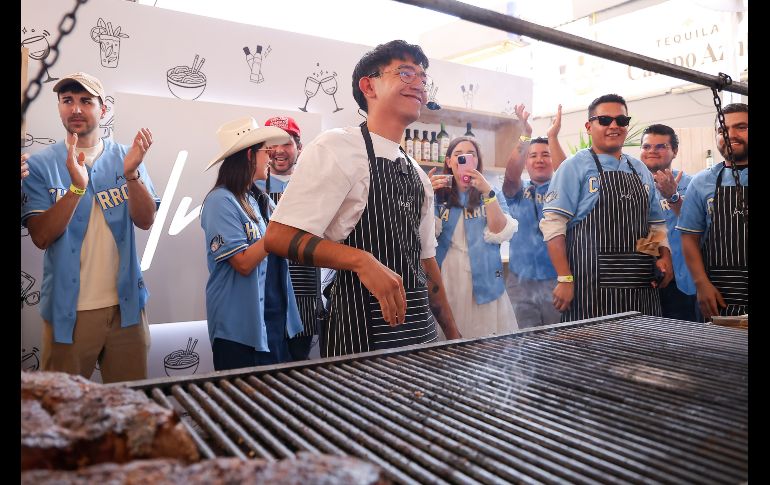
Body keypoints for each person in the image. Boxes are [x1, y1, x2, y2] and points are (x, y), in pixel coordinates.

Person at [264, 39, 461, 357]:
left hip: (420, 339)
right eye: (406, 73)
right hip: (359, 339)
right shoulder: (337, 148)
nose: (420, 86)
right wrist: (361, 260)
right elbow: (278, 236)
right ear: (369, 86)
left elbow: (426, 263)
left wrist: (452, 334)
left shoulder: (417, 174)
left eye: (423, 79)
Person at [21, 72, 160, 383]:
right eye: (67, 101)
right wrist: (77, 189)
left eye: (86, 101)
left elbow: (146, 220)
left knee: (131, 408)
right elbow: (41, 236)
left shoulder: (127, 156)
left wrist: (132, 174)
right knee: (62, 415)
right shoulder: (41, 165)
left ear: (103, 109)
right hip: (68, 314)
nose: (76, 109)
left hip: (127, 311)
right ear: (58, 107)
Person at [540, 93, 673, 321]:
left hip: (640, 289)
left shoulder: (639, 169)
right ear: (589, 126)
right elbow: (553, 226)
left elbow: (653, 224)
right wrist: (565, 278)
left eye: (621, 121)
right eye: (604, 120)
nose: (614, 126)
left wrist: (663, 257)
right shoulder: (574, 167)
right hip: (590, 291)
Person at [200, 116, 304, 370]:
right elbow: (243, 263)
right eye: (266, 151)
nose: (271, 157)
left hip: (275, 325)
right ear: (250, 155)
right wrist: (276, 236)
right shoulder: (220, 201)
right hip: (240, 332)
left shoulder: (260, 200)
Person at [429, 135, 518, 338]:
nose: (464, 159)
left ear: (477, 161)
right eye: (458, 155)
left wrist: (487, 193)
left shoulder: (491, 191)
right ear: (449, 161)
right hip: (447, 274)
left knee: (486, 344)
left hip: (485, 276)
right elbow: (424, 236)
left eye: (471, 155)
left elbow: (499, 231)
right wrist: (424, 195)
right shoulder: (437, 194)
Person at [255, 115, 322, 360]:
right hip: (265, 292)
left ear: (299, 148)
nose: (279, 151)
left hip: (303, 293)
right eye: (272, 144)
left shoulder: (314, 187)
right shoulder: (251, 188)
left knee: (297, 369)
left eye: (287, 143)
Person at [677, 103, 748, 318]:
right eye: (722, 130)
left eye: (741, 127)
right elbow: (689, 238)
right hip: (719, 295)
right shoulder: (701, 182)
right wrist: (701, 284)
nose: (730, 135)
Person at [501, 103, 567, 328]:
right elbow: (510, 177)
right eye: (533, 156)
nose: (539, 159)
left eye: (545, 155)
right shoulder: (518, 192)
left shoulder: (563, 192)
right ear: (526, 163)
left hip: (557, 281)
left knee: (557, 341)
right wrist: (525, 136)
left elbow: (567, 173)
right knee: (523, 344)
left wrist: (553, 136)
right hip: (520, 282)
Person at [640, 124, 698, 321]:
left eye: (660, 146)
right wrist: (656, 260)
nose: (652, 151)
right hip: (649, 279)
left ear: (675, 151)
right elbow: (640, 229)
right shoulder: (633, 187)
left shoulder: (693, 185)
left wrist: (673, 197)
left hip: (685, 281)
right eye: (647, 146)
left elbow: (700, 226)